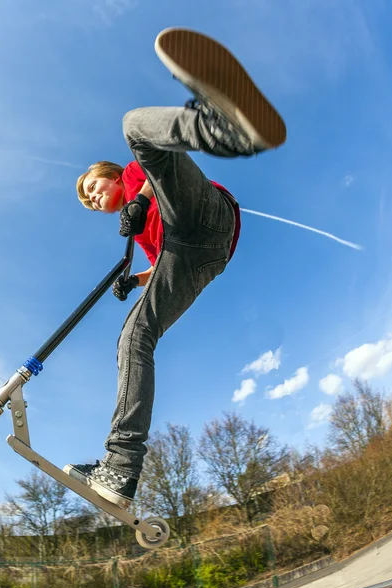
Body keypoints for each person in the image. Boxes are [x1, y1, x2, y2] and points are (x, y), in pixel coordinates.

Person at [64, 27, 286, 509]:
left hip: (203, 215)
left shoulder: (132, 173)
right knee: (133, 338)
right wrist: (135, 280)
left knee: (135, 126)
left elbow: (149, 173)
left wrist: (140, 199)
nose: (94, 197)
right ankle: (120, 468)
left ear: (107, 175)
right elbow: (160, 265)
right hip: (197, 257)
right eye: (88, 200)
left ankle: (221, 128)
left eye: (93, 187)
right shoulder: (138, 230)